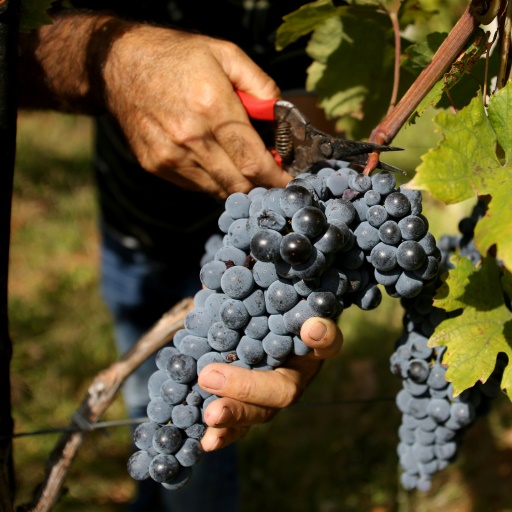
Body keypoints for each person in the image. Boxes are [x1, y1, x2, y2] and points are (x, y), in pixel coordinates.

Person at [17, 2, 343, 510]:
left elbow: (319, 94)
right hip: (135, 232)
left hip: (245, 253)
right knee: (151, 413)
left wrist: (316, 265)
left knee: (201, 434)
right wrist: (116, 59)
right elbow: (13, 39)